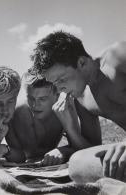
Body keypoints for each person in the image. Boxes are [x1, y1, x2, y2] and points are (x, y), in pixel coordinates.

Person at [31, 30, 126, 183]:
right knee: (78, 162)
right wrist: (71, 128)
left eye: (61, 80)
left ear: (82, 62)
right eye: (54, 84)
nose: (59, 89)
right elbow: (91, 148)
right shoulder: (81, 96)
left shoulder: (117, 57)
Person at [5, 70, 83, 166]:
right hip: (26, 167)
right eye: (31, 98)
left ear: (57, 95)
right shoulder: (15, 113)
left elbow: (79, 147)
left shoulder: (64, 109)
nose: (35, 105)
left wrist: (62, 151)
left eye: (42, 99)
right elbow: (17, 156)